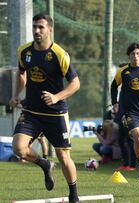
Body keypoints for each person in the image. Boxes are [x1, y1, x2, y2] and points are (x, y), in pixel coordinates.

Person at [9, 13, 80, 202]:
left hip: (56, 114)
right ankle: (44, 164)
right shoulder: (24, 51)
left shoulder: (59, 54)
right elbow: (22, 73)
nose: (36, 31)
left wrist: (57, 97)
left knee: (64, 157)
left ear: (50, 29)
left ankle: (73, 195)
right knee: (18, 148)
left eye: (41, 27)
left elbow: (75, 84)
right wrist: (16, 95)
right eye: (34, 27)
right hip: (31, 111)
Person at [111, 43, 139, 182]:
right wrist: (115, 103)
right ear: (129, 56)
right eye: (132, 54)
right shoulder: (123, 71)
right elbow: (114, 86)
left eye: (137, 53)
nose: (135, 56)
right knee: (138, 137)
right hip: (131, 111)